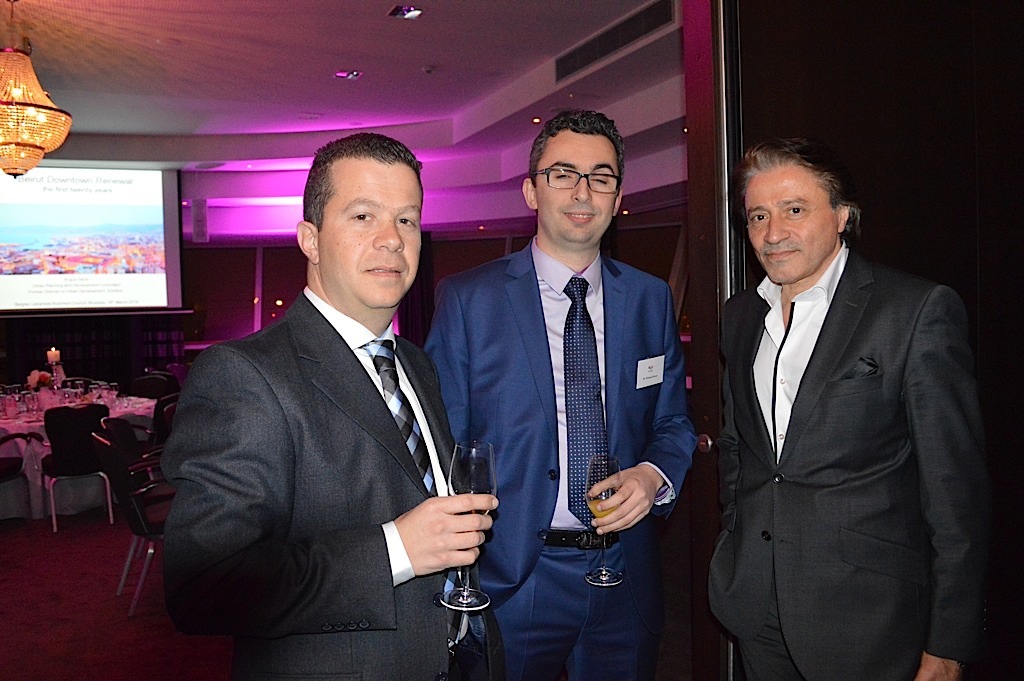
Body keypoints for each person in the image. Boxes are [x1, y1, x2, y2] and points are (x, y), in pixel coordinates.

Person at [162, 133, 502, 681]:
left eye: (407, 220)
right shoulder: (243, 375)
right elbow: (204, 586)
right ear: (311, 240)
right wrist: (396, 550)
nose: (392, 239)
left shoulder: (416, 363)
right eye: (364, 216)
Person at [424, 109, 696, 681]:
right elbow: (442, 445)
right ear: (532, 190)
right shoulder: (469, 301)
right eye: (563, 173)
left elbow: (672, 422)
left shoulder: (649, 300)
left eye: (601, 177)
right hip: (514, 577)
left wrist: (652, 476)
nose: (582, 191)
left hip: (624, 574)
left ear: (617, 197)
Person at [708, 138, 991, 681]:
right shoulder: (740, 316)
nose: (773, 233)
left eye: (795, 210)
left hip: (870, 618)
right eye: (758, 216)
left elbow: (956, 493)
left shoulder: (913, 310)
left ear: (842, 216)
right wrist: (734, 536)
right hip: (755, 604)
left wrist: (949, 642)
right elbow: (738, 447)